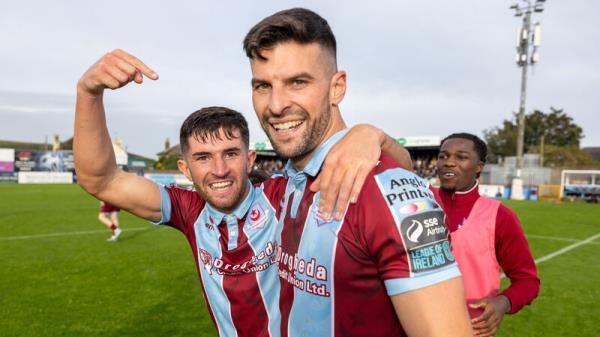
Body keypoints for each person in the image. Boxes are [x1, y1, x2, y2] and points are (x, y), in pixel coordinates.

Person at [74, 49, 412, 335]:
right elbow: (100, 180)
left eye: (231, 154)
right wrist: (89, 92)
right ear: (185, 170)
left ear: (250, 159)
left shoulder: (284, 195)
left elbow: (403, 174)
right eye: (203, 158)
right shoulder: (188, 212)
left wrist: (373, 136)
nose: (219, 170)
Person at [243, 7, 472, 336]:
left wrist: (376, 137)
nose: (276, 105)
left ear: (337, 88)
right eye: (263, 86)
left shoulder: (390, 194)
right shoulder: (288, 183)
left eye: (297, 82)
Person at [432, 133, 540, 337]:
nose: (449, 163)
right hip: (412, 326)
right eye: (443, 156)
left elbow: (528, 281)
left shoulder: (500, 216)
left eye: (461, 157)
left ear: (479, 166)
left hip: (471, 330)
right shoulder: (420, 200)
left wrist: (503, 302)